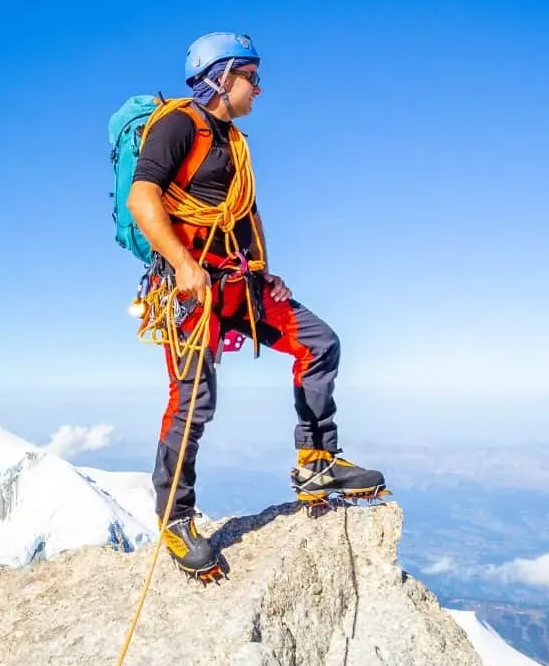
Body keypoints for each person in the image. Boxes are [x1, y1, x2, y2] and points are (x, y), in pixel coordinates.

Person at [126, 32, 386, 580]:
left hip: (238, 282)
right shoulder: (178, 125)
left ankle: (317, 463)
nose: (259, 89)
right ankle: (175, 518)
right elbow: (142, 197)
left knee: (318, 342)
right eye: (252, 77)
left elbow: (242, 212)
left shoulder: (234, 142)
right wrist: (181, 263)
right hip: (189, 287)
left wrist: (263, 269)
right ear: (222, 77)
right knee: (194, 400)